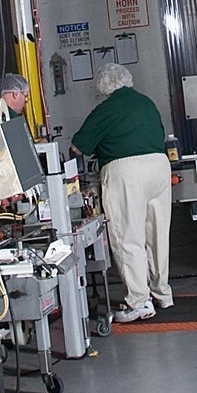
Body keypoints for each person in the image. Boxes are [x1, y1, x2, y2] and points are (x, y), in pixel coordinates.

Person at [69, 61, 174, 319]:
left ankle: (139, 301)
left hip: (127, 173)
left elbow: (77, 147)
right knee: (157, 234)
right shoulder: (146, 103)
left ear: (103, 85)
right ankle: (162, 293)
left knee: (128, 236)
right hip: (160, 167)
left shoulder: (106, 109)